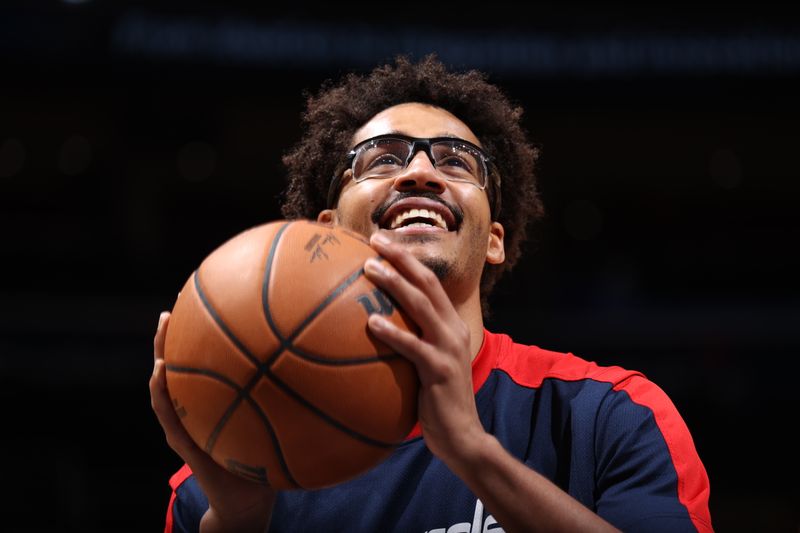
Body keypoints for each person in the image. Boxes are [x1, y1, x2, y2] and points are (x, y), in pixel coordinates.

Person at [150, 54, 712, 532]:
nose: (420, 172)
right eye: (383, 158)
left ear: (495, 239)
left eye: (457, 161)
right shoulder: (226, 479)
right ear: (323, 229)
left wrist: (474, 454)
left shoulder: (607, 414)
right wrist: (242, 520)